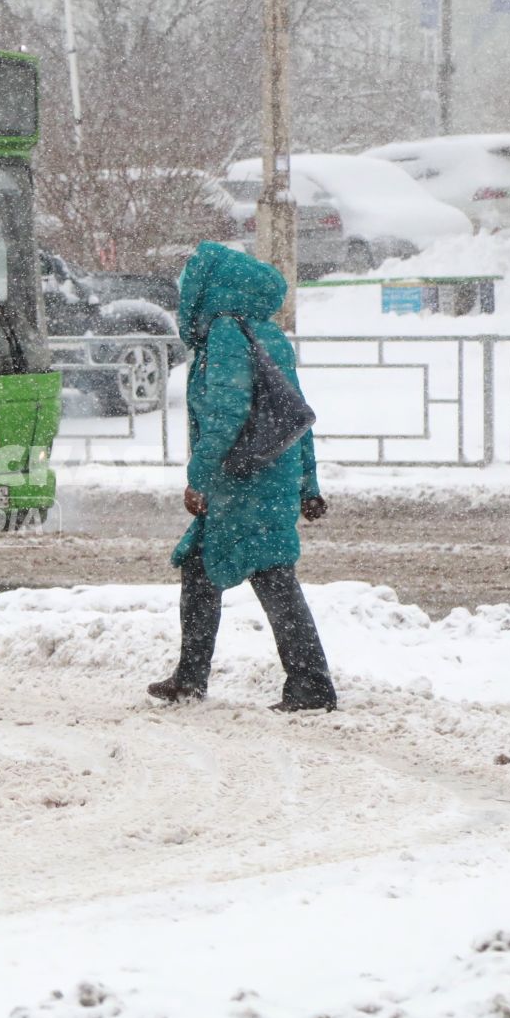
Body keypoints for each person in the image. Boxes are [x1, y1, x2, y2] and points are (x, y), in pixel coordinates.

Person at [147, 241, 335, 713]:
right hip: (267, 476)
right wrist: (307, 484)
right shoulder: (267, 333)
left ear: (209, 288)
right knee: (202, 567)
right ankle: (190, 677)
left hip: (244, 479)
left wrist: (200, 477)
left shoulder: (228, 334)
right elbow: (297, 417)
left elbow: (227, 412)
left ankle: (311, 687)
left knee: (272, 577)